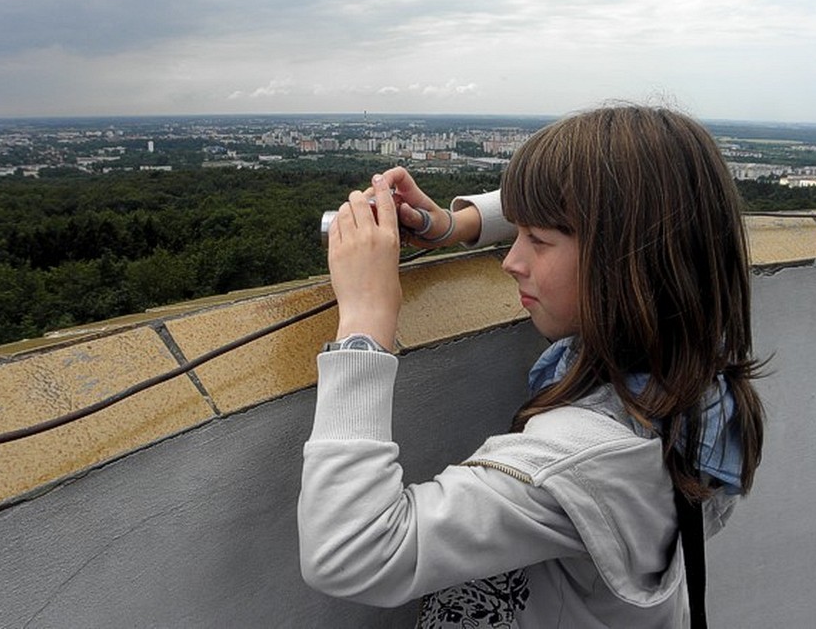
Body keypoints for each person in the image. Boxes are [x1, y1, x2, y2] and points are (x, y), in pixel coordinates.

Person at [298, 105, 766, 627]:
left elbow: (352, 551)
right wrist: (454, 224)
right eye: (518, 231)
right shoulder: (696, 366)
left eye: (537, 240)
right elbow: (620, 198)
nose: (511, 261)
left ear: (625, 262)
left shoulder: (578, 461)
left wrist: (365, 317)